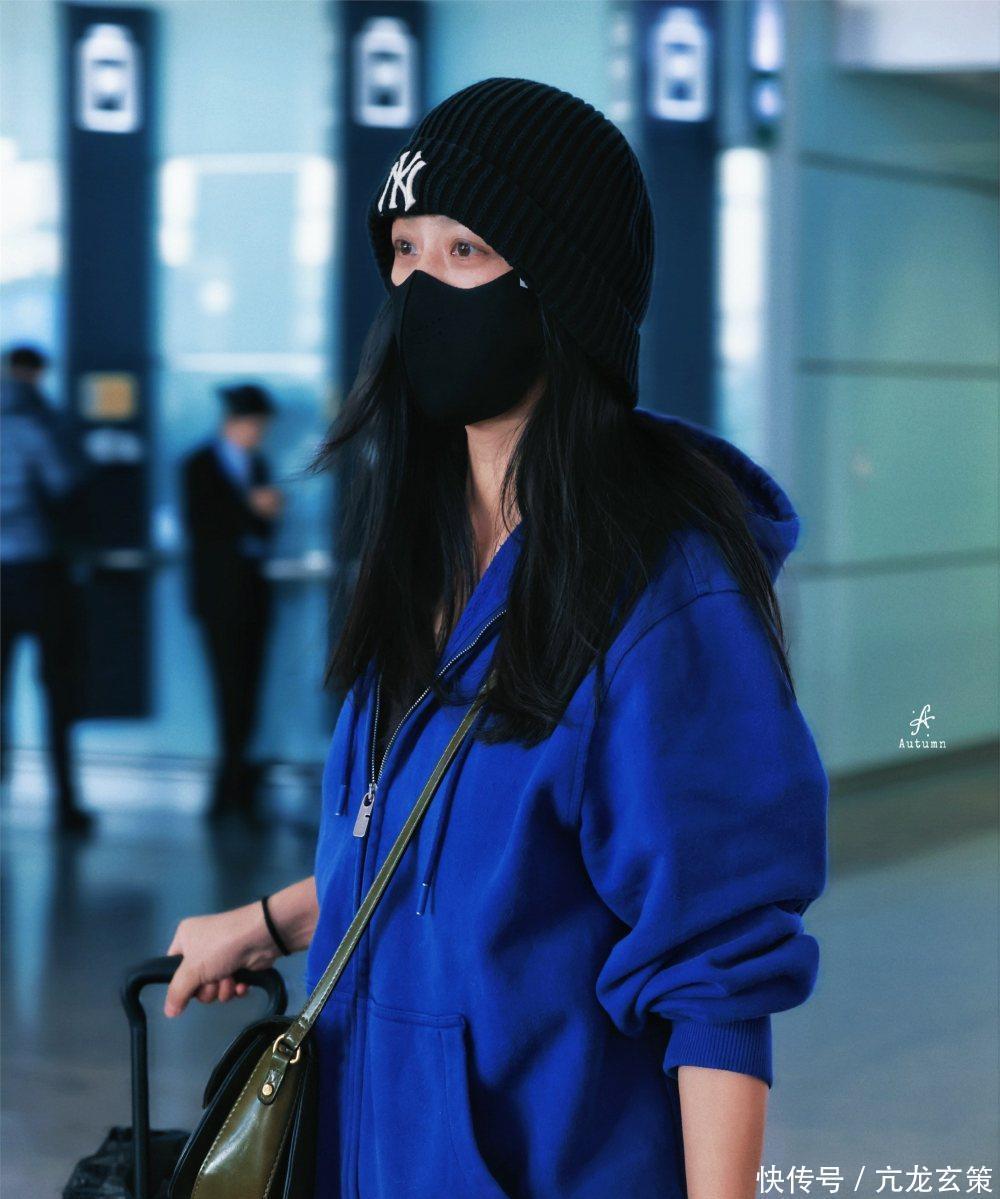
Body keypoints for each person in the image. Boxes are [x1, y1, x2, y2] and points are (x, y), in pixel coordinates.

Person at [162, 78, 828, 1198]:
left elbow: (715, 964)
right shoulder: (422, 549)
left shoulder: (664, 592)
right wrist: (273, 918)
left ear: (560, 289)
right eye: (404, 248)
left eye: (465, 250)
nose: (419, 285)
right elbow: (462, 847)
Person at [179, 383, 283, 826]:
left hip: (253, 593)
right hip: (218, 597)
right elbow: (203, 527)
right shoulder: (198, 465)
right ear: (233, 423)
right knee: (227, 691)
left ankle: (236, 787)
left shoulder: (258, 464)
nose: (258, 434)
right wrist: (250, 507)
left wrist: (265, 513)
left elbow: (263, 531)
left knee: (249, 692)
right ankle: (229, 787)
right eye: (254, 426)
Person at [0, 344, 93, 835]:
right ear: (37, 375)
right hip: (37, 572)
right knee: (58, 691)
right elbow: (63, 483)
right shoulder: (36, 426)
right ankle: (65, 803)